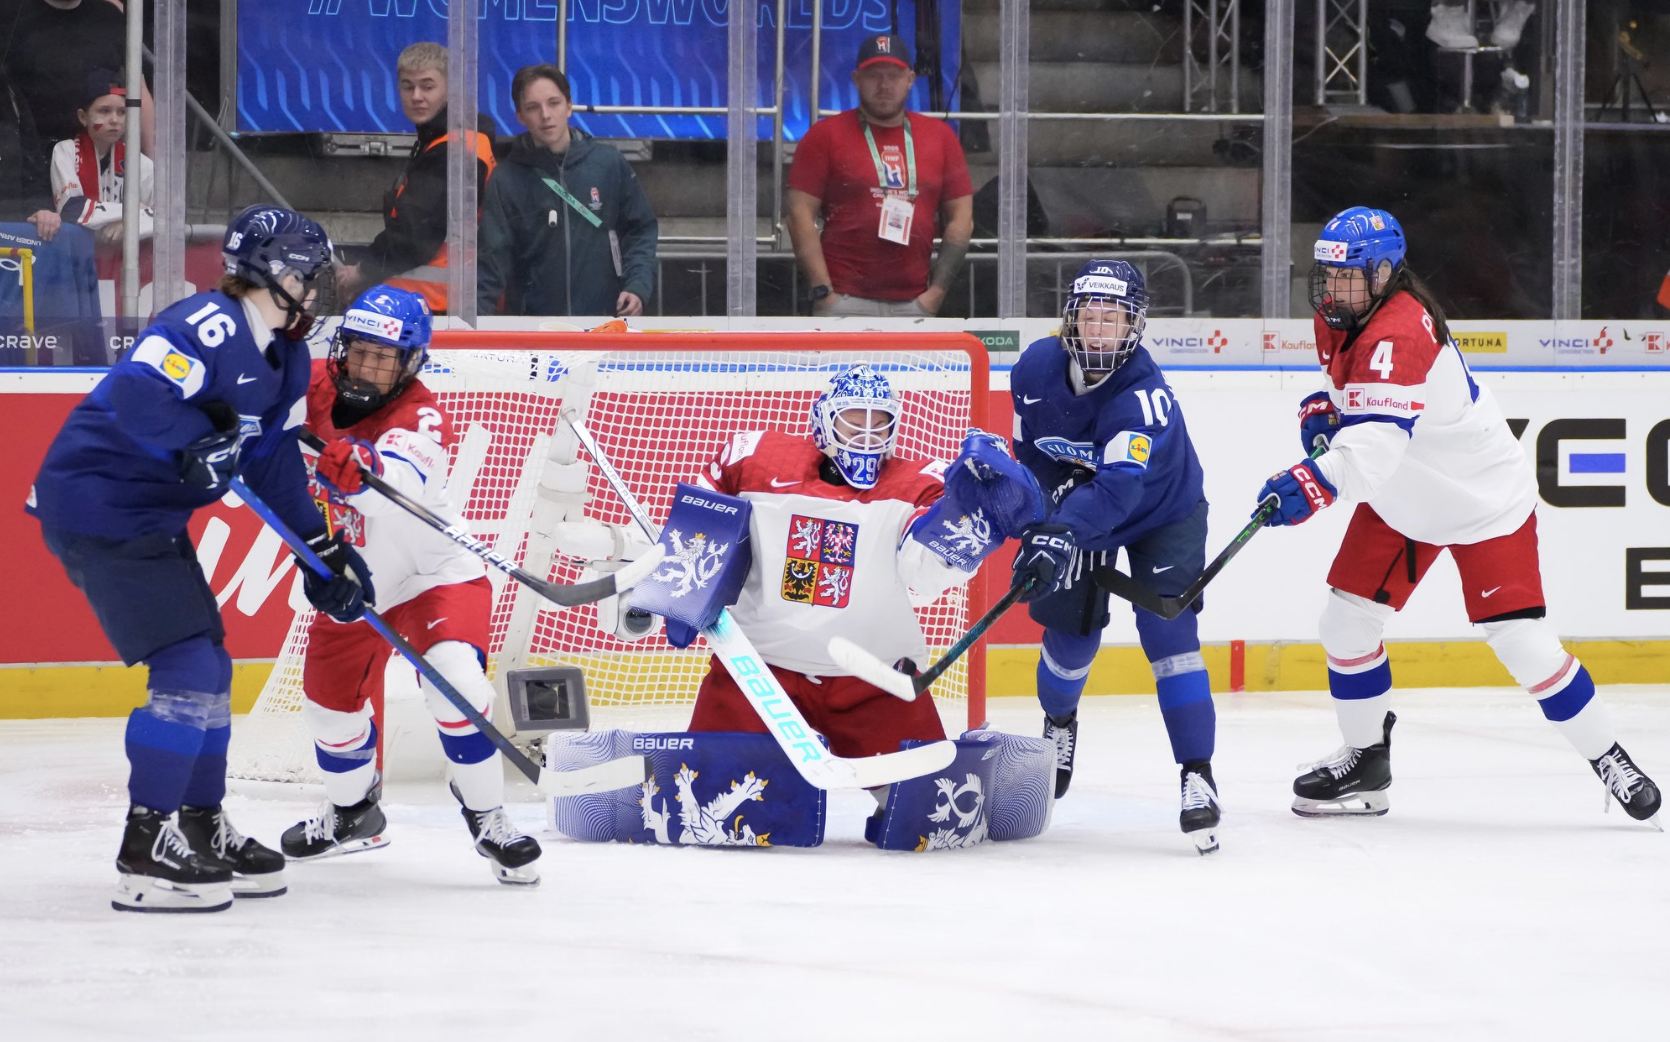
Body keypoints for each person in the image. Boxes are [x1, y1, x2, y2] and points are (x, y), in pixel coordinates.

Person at [1259, 205, 1662, 826]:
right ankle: (1368, 763)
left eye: (1346, 275)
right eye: (1327, 273)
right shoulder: (1341, 312)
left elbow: (1372, 450)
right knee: (1344, 625)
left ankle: (1609, 756)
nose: (1330, 287)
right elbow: (1344, 391)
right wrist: (1321, 408)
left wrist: (1311, 483)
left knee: (1523, 643)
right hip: (1402, 498)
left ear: (1385, 272)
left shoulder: (1399, 330)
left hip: (1479, 502)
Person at [26, 205, 372, 913]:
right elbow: (134, 394)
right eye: (308, 277)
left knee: (208, 662)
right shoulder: (203, 325)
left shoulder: (290, 357)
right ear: (273, 276)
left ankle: (198, 823)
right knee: (188, 665)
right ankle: (144, 844)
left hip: (148, 513)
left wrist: (322, 553)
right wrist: (196, 434)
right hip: (99, 504)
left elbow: (273, 465)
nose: (317, 290)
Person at [593, 365, 1061, 838]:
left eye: (879, 421)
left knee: (929, 824)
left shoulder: (921, 483)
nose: (866, 433)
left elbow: (922, 576)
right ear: (822, 421)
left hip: (872, 680)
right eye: (853, 419)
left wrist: (968, 526)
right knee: (713, 816)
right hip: (761, 676)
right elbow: (696, 529)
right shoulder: (752, 458)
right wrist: (667, 588)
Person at [278, 284, 543, 886]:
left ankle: (489, 817)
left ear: (411, 362)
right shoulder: (311, 388)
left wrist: (364, 472)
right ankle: (354, 815)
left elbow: (397, 486)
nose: (369, 367)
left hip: (433, 577)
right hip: (351, 577)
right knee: (327, 710)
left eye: (386, 357)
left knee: (457, 684)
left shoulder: (420, 414)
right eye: (361, 351)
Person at [1009, 259, 1223, 854]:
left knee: (1169, 636)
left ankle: (1197, 776)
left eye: (1113, 318)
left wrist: (1062, 530)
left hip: (1163, 513)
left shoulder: (1142, 397)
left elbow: (1120, 489)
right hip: (1083, 505)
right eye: (1089, 316)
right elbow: (1031, 453)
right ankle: (1058, 724)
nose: (1099, 329)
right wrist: (1047, 511)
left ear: (1134, 325)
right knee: (1070, 641)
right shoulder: (1033, 368)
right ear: (1069, 320)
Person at [785, 33, 973, 318]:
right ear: (856, 79)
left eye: (894, 76)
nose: (884, 86)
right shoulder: (824, 136)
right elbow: (799, 214)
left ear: (910, 79)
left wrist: (935, 295)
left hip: (915, 303)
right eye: (874, 76)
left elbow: (962, 219)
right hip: (843, 302)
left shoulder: (940, 137)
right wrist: (824, 292)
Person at [476, 64, 658, 319]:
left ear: (569, 106)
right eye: (533, 107)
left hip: (605, 321)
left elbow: (640, 230)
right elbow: (490, 264)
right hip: (534, 330)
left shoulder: (607, 164)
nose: (545, 115)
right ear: (519, 116)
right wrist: (470, 333)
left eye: (554, 103)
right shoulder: (507, 179)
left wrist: (637, 286)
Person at [333, 41, 495, 313]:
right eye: (408, 86)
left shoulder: (453, 148)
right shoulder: (441, 139)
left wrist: (362, 271)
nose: (417, 96)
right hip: (429, 300)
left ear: (450, 88)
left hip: (438, 306)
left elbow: (414, 237)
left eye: (427, 86)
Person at [0, 0, 154, 155]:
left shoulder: (109, 16)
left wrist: (154, 160)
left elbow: (138, 89)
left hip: (97, 155)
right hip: (30, 156)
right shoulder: (10, 14)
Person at [49, 68, 153, 245]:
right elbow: (72, 209)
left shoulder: (139, 162)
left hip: (124, 260)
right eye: (104, 111)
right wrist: (134, 210)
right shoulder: (65, 151)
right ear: (83, 117)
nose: (115, 120)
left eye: (122, 112)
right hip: (77, 254)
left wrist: (130, 223)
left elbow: (165, 216)